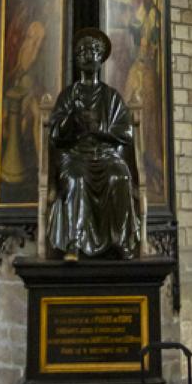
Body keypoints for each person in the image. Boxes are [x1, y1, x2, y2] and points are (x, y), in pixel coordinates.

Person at [46, 28, 140, 258]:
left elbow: (126, 133)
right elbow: (55, 134)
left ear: (101, 58)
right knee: (76, 178)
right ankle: (73, 243)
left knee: (120, 176)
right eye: (83, 51)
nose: (89, 54)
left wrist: (100, 131)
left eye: (94, 50)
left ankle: (120, 241)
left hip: (106, 155)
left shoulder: (112, 97)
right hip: (76, 156)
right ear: (77, 59)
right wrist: (72, 120)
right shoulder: (69, 96)